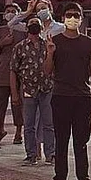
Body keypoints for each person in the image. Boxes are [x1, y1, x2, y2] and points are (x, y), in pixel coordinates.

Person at [46, 2, 91, 180]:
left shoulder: (88, 43)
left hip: (83, 96)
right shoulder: (55, 41)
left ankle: (83, 177)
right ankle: (59, 178)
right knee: (61, 139)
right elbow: (47, 71)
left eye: (76, 15)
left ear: (81, 18)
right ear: (63, 18)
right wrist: (50, 53)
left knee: (81, 140)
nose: (72, 18)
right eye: (69, 15)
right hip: (61, 95)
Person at [11, 15, 55, 166]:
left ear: (42, 27)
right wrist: (14, 93)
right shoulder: (20, 47)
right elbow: (13, 71)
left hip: (46, 88)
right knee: (28, 124)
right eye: (31, 24)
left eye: (37, 24)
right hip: (28, 89)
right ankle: (31, 155)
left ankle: (51, 154)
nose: (34, 26)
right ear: (27, 28)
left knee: (49, 123)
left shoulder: (48, 45)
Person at [0, 2, 24, 145]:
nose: (10, 13)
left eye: (14, 11)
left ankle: (18, 132)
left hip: (20, 72)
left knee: (18, 103)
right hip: (2, 71)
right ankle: (0, 129)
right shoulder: (0, 30)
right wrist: (3, 42)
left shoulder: (23, 29)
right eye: (8, 11)